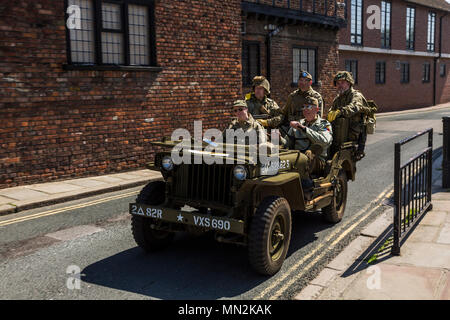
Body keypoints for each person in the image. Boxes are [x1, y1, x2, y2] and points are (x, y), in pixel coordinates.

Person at [327, 71, 374, 160]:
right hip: (339, 138)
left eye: (343, 82)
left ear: (349, 83)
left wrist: (340, 112)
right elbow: (331, 112)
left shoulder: (356, 95)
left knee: (348, 168)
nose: (340, 85)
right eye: (338, 83)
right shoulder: (338, 99)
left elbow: (354, 107)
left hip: (352, 140)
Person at [287, 96, 333, 175]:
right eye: (303, 107)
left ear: (316, 110)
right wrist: (278, 138)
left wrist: (304, 129)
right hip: (297, 158)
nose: (305, 109)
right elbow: (286, 142)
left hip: (317, 161)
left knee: (309, 153)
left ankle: (305, 180)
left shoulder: (324, 124)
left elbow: (325, 141)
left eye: (308, 107)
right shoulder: (299, 123)